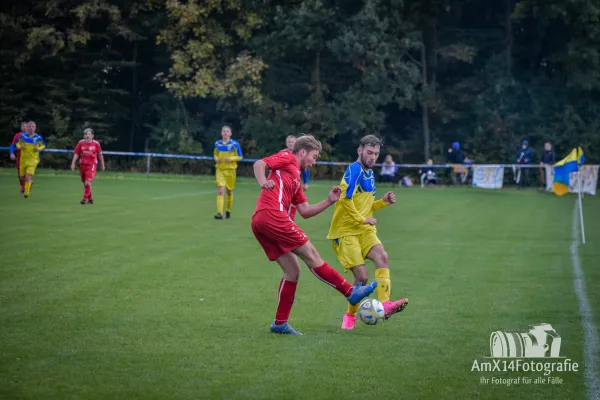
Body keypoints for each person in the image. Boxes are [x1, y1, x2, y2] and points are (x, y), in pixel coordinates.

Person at [251, 135, 378, 335]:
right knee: (311, 254)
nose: (314, 161)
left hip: (261, 222)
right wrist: (262, 182)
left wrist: (329, 201)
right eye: (314, 156)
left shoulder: (295, 178)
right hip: (272, 214)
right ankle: (350, 292)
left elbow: (305, 211)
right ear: (303, 152)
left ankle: (280, 323)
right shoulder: (288, 157)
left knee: (293, 271)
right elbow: (260, 164)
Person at [326, 135, 408, 330]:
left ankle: (386, 305)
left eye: (376, 154)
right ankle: (350, 316)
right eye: (369, 153)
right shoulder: (353, 170)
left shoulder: (369, 173)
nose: (372, 157)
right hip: (345, 231)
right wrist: (362, 219)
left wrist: (383, 202)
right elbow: (345, 200)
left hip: (364, 229)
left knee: (382, 256)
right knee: (362, 277)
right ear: (359, 150)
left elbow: (366, 205)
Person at [214, 126, 243, 220]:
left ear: (230, 133)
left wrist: (231, 159)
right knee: (220, 191)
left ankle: (228, 210)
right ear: (221, 133)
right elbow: (215, 153)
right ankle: (219, 213)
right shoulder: (217, 144)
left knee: (229, 192)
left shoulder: (235, 144)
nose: (225, 133)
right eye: (224, 131)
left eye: (227, 131)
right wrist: (216, 159)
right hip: (220, 170)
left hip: (231, 171)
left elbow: (240, 156)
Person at [71, 128, 105, 204]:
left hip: (91, 165)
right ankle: (90, 199)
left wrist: (102, 165)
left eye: (89, 134)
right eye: (86, 134)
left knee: (88, 183)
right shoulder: (80, 143)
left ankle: (84, 199)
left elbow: (100, 155)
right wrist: (73, 163)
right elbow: (76, 153)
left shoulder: (96, 144)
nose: (87, 136)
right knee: (85, 184)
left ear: (92, 136)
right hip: (82, 165)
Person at [15, 121, 45, 199]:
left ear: (35, 128)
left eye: (32, 127)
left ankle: (26, 194)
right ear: (27, 128)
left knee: (28, 176)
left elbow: (43, 145)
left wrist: (38, 148)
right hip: (23, 160)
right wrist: (19, 147)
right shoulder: (23, 136)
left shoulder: (38, 137)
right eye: (29, 126)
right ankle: (29, 183)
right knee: (22, 178)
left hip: (33, 160)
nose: (31, 128)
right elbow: (17, 143)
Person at [9, 122, 28, 193]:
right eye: (23, 126)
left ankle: (27, 185)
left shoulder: (32, 136)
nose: (24, 127)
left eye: (26, 126)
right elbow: (12, 145)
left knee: (28, 172)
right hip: (20, 157)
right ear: (21, 127)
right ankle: (23, 186)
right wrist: (11, 153)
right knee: (20, 174)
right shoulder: (17, 135)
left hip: (29, 157)